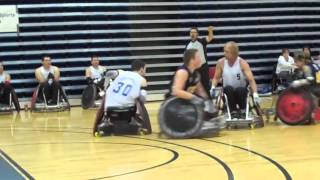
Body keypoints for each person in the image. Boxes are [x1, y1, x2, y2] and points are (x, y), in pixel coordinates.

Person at [211, 41, 260, 118]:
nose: (224, 53)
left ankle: (243, 110)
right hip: (228, 93)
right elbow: (216, 78)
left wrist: (255, 93)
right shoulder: (221, 62)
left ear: (233, 53)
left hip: (241, 92)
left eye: (226, 52)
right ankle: (232, 111)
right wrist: (213, 88)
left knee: (240, 89)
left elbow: (251, 80)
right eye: (224, 51)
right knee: (228, 88)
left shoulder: (242, 63)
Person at [167, 49, 214, 114]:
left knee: (208, 113)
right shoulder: (183, 72)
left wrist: (208, 102)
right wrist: (194, 98)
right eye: (198, 57)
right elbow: (176, 91)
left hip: (183, 104)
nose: (200, 59)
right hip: (171, 106)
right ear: (192, 60)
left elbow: (201, 91)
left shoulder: (196, 74)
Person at [185, 26, 214, 97]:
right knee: (195, 87)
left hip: (203, 67)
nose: (192, 34)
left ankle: (208, 103)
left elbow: (210, 38)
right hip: (194, 69)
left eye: (194, 32)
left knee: (205, 86)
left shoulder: (201, 41)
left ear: (197, 34)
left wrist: (210, 31)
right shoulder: (188, 45)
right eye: (191, 32)